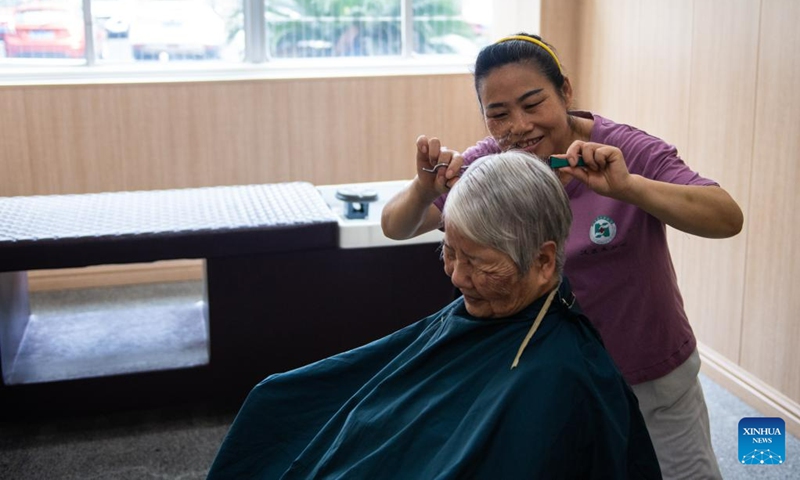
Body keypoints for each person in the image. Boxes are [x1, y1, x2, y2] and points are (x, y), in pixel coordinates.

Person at [381, 33, 744, 479]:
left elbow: (726, 216)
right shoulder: (492, 166)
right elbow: (396, 226)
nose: (518, 126)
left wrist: (628, 188)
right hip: (554, 380)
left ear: (565, 91)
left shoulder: (625, 150)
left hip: (648, 369)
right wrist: (424, 187)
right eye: (498, 114)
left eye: (533, 104)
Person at [207, 151, 661, 479]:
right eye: (448, 253)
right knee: (276, 401)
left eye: (480, 264)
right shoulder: (484, 307)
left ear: (544, 263)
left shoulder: (564, 377)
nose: (458, 278)